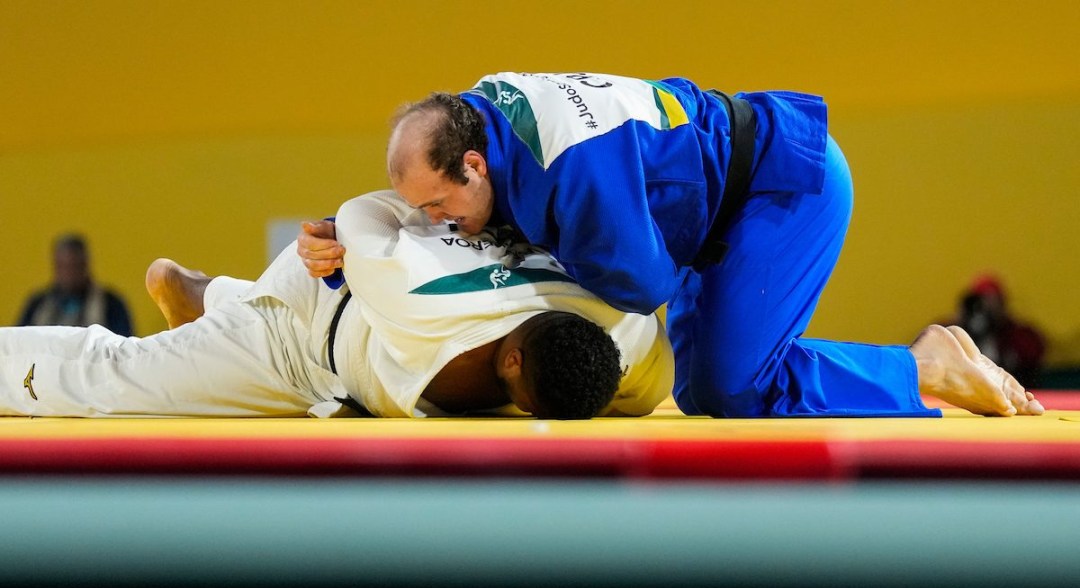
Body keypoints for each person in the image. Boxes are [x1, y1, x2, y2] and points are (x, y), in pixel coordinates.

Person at [297, 71, 1043, 418]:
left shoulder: (572, 177)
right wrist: (359, 245)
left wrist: (466, 260)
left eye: (437, 206)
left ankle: (923, 368)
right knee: (701, 386)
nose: (435, 222)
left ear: (472, 164)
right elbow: (486, 217)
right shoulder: (482, 111)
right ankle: (917, 368)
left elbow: (645, 289)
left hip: (784, 190)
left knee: (732, 390)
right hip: (726, 199)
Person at [0, 191, 673, 419]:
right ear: (514, 356)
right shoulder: (422, 304)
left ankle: (206, 293)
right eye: (524, 401)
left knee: (269, 331)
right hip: (301, 334)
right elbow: (362, 213)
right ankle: (207, 298)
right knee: (112, 381)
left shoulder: (630, 343)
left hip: (350, 358)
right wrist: (333, 237)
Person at [17, 233, 133, 336]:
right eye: (63, 266)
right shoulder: (38, 304)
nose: (68, 274)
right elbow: (19, 342)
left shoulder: (111, 304)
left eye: (74, 266)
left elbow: (122, 346)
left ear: (85, 265)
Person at [944, 274, 1046, 388]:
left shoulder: (1017, 333)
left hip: (1011, 389)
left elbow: (1033, 354)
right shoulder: (955, 331)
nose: (986, 308)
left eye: (992, 301)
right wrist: (961, 324)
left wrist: (1000, 326)